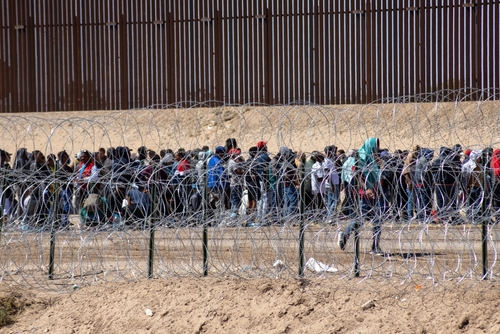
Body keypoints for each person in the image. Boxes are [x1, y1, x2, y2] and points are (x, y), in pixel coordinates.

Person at [338, 137, 385, 255]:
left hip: (374, 193)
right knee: (360, 220)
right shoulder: (360, 158)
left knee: (378, 220)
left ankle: (375, 246)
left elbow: (376, 176)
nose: (377, 149)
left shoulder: (371, 159)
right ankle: (345, 234)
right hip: (363, 194)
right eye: (375, 146)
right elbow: (357, 175)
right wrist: (366, 188)